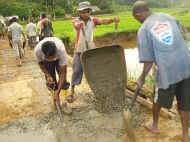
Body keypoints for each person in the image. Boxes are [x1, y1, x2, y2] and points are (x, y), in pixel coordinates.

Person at [132, 1, 190, 142]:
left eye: (135, 18)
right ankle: (185, 135)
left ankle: (154, 125)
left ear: (138, 14)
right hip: (186, 66)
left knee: (157, 98)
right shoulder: (168, 17)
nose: (137, 21)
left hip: (167, 70)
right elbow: (184, 36)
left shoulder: (144, 30)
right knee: (185, 102)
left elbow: (148, 61)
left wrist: (141, 78)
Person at [68, 1, 120, 103]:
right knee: (76, 70)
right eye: (83, 12)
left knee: (95, 72)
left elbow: (103, 21)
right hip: (79, 50)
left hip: (91, 50)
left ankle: (98, 91)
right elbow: (76, 25)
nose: (85, 13)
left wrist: (113, 19)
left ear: (90, 11)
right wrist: (79, 25)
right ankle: (72, 91)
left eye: (87, 11)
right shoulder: (76, 20)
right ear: (79, 13)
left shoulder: (93, 20)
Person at [34, 37, 71, 114]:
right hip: (46, 61)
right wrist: (47, 75)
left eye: (53, 57)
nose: (52, 59)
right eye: (49, 58)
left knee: (63, 81)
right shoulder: (38, 51)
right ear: (44, 54)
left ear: (55, 53)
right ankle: (55, 102)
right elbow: (41, 64)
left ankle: (64, 103)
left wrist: (58, 91)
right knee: (51, 82)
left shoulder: (61, 51)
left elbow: (62, 73)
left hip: (59, 58)